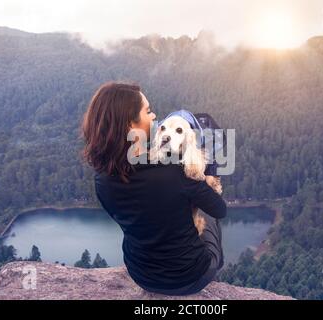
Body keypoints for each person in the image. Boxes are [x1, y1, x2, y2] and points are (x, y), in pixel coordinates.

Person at [81, 82, 226, 295]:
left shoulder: (102, 180)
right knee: (210, 217)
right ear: (131, 126)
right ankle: (216, 272)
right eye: (148, 111)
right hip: (191, 277)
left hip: (141, 274)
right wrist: (207, 178)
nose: (154, 116)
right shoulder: (177, 173)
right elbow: (219, 209)